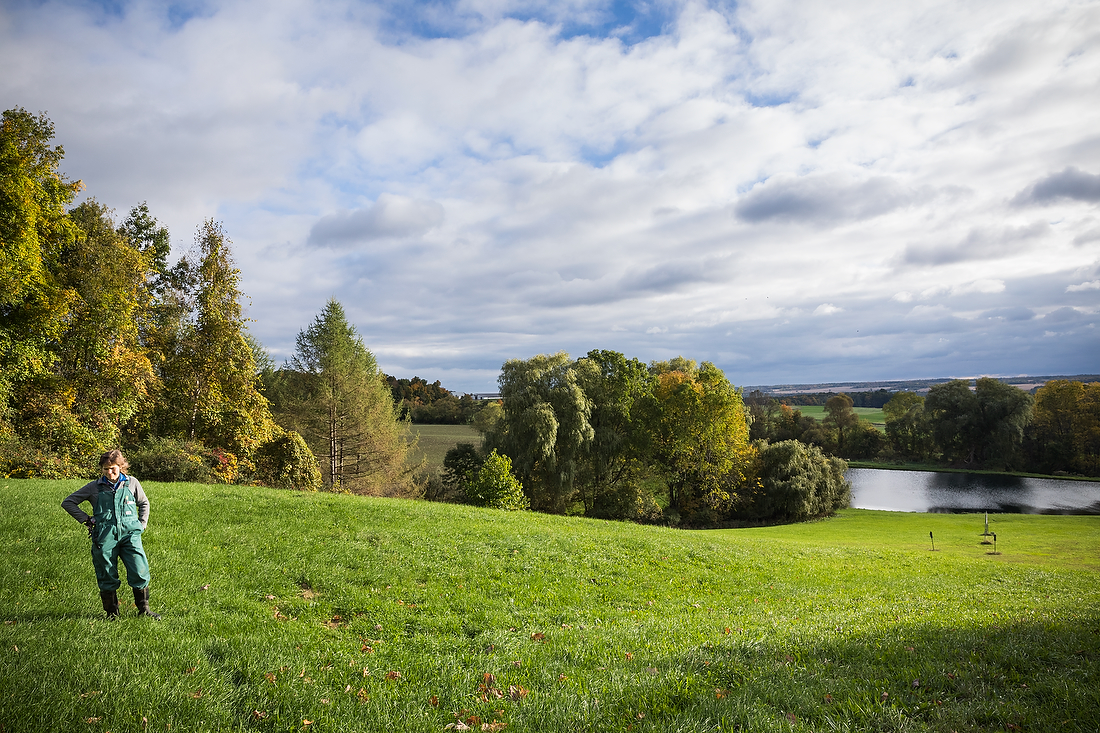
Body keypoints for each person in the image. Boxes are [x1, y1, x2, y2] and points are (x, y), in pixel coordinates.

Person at [62, 449, 161, 620]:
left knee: (139, 569)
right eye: (105, 469)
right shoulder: (94, 487)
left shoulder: (132, 483)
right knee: (106, 573)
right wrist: (87, 520)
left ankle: (144, 610)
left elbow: (144, 502)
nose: (109, 472)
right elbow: (68, 502)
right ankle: (112, 614)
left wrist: (142, 524)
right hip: (105, 536)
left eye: (113, 468)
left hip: (130, 535)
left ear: (121, 467)